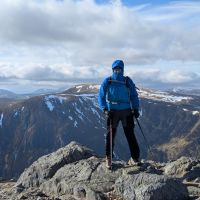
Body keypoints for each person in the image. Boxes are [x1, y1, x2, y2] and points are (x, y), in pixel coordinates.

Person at [98, 59, 140, 169]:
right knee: (130, 135)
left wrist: (105, 109)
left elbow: (101, 96)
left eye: (117, 69)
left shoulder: (108, 80)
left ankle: (108, 159)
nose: (117, 71)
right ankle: (135, 159)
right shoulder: (127, 81)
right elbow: (134, 96)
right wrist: (135, 109)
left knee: (110, 136)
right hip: (126, 111)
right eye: (117, 69)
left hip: (113, 111)